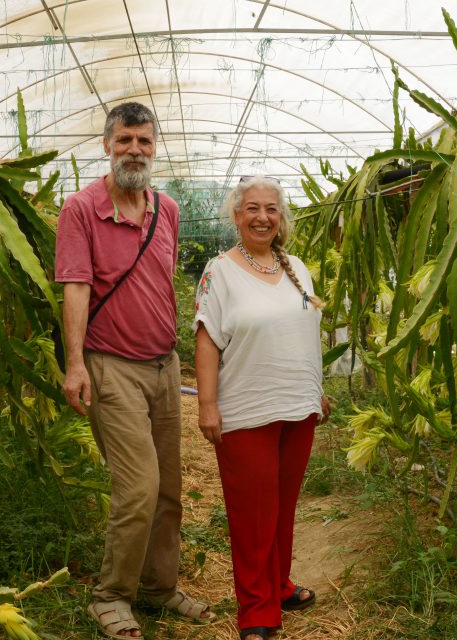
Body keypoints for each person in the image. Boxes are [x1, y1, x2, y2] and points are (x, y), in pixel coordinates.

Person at [56, 102, 213, 639]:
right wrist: (75, 364)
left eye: (144, 142)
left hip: (163, 365)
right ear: (106, 145)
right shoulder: (81, 209)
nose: (135, 151)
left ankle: (160, 588)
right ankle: (112, 595)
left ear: (154, 147)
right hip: (110, 366)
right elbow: (76, 288)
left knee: (169, 486)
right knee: (139, 487)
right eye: (125, 140)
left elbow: (161, 281)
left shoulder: (164, 209)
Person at [193, 176, 332, 640]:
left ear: (281, 217)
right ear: (236, 216)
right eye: (252, 208)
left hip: (298, 406)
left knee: (283, 508)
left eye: (271, 209)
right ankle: (256, 611)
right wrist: (208, 405)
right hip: (246, 410)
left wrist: (317, 389)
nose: (262, 217)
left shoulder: (298, 268)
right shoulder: (220, 271)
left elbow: (304, 333)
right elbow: (207, 338)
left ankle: (279, 585)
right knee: (253, 514)